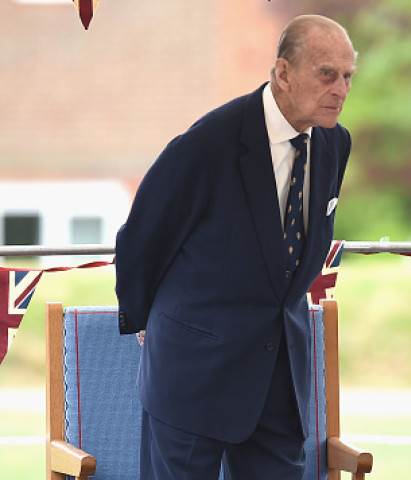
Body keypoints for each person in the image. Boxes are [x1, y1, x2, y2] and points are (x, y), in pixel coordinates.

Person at [114, 14, 356, 480]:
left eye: (348, 76)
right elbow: (142, 238)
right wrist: (148, 320)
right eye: (327, 74)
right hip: (192, 375)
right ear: (283, 72)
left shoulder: (335, 143)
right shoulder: (208, 142)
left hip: (279, 379)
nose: (341, 90)